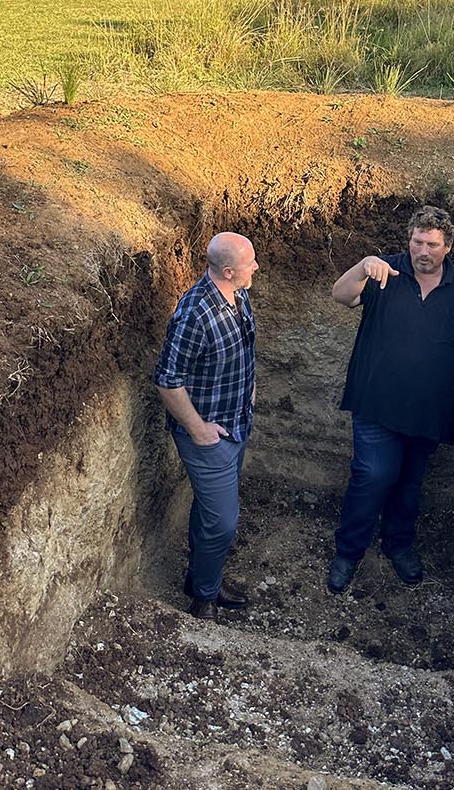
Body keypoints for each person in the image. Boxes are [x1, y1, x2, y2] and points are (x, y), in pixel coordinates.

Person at [327, 206, 454, 594]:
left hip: (430, 411)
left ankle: (398, 545)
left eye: (432, 244)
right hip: (376, 403)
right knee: (374, 475)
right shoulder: (385, 272)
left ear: (447, 246)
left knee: (409, 481)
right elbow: (340, 295)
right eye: (418, 241)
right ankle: (348, 552)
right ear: (409, 240)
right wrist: (363, 265)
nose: (424, 250)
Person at [155, 231, 259, 620]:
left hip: (237, 424)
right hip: (207, 438)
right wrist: (199, 430)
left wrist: (250, 393)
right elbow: (167, 378)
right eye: (250, 263)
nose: (257, 268)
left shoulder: (239, 294)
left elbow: (246, 349)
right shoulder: (195, 314)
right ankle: (203, 599)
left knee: (209, 511)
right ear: (229, 270)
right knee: (222, 522)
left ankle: (200, 578)